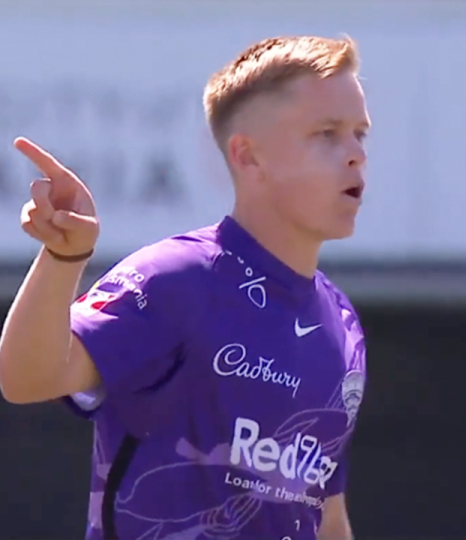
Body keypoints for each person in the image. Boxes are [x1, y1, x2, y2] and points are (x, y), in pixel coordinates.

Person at [0, 35, 370, 539]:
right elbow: (25, 378)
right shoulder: (178, 278)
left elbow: (326, 515)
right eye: (326, 134)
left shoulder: (342, 321)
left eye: (359, 134)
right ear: (248, 157)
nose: (354, 155)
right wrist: (64, 256)